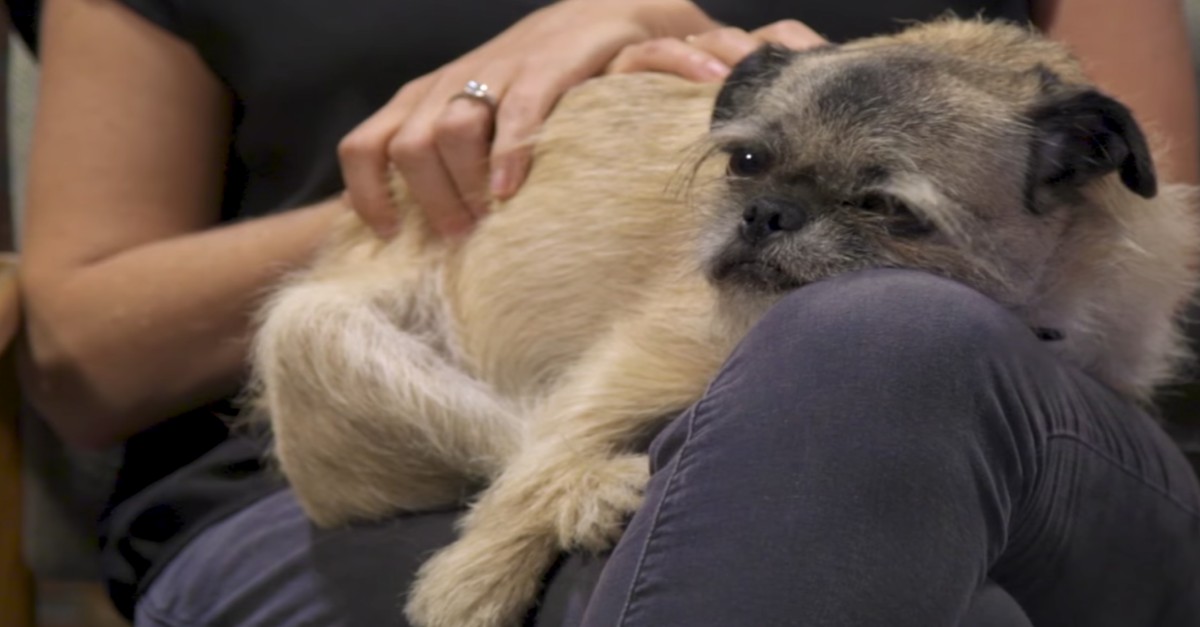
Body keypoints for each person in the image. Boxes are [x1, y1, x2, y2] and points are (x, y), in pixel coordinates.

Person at [10, 0, 1199, 625]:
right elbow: (81, 357)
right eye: (745, 171)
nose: (766, 215)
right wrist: (499, 164)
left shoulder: (1068, 171)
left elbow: (1157, 226)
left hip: (1021, 445)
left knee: (883, 332)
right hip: (414, 467)